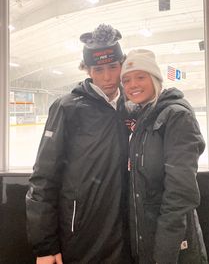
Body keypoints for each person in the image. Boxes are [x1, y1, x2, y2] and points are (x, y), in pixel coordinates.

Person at [26, 24, 132, 264]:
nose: (107, 77)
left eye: (113, 67)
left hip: (126, 233)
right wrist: (45, 246)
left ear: (122, 65)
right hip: (82, 234)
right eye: (99, 69)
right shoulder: (68, 108)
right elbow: (44, 177)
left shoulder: (132, 105)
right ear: (88, 70)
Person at [120, 49, 208, 264]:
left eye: (141, 77)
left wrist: (165, 253)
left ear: (155, 79)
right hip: (147, 238)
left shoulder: (176, 116)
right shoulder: (144, 116)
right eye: (127, 80)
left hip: (173, 244)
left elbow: (180, 192)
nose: (133, 84)